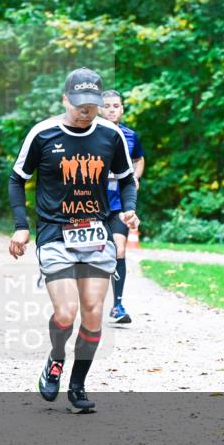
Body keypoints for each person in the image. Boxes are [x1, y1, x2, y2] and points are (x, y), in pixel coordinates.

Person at [8, 67, 139, 414]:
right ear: (65, 99)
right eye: (79, 104)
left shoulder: (110, 135)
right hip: (54, 231)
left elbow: (127, 179)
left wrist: (128, 210)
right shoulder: (43, 134)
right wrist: (22, 226)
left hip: (96, 232)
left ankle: (78, 386)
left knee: (93, 313)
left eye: (92, 105)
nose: (85, 111)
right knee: (66, 314)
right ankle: (55, 358)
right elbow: (16, 179)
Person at [101, 90, 145, 324]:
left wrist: (135, 179)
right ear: (99, 109)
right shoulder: (90, 134)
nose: (111, 109)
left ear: (122, 109)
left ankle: (117, 305)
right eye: (106, 106)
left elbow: (139, 159)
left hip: (118, 204)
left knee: (119, 250)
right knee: (91, 253)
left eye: (115, 106)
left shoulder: (130, 136)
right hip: (93, 204)